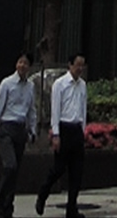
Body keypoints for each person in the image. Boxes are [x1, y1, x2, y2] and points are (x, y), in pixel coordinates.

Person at [0, 51, 38, 218]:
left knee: (15, 172)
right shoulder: (6, 84)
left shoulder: (30, 86)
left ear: (29, 67)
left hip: (20, 130)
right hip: (6, 128)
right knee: (10, 166)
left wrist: (33, 130)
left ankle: (8, 208)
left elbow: (31, 110)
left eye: (25, 63)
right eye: (20, 62)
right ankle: (0, 205)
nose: (22, 66)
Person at [35, 51, 87, 218]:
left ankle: (72, 208)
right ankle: (43, 193)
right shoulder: (60, 84)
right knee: (59, 169)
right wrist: (56, 134)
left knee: (77, 172)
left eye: (82, 65)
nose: (80, 68)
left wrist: (83, 130)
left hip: (76, 129)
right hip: (64, 129)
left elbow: (83, 109)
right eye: (77, 65)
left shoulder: (82, 85)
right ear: (70, 65)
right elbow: (55, 110)